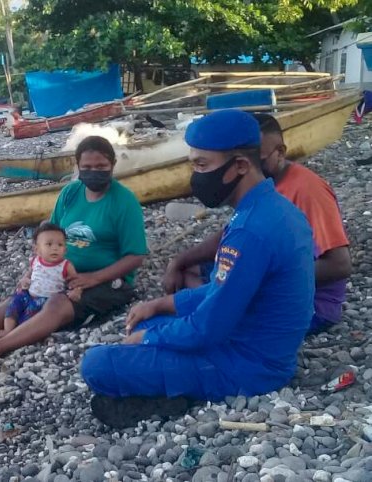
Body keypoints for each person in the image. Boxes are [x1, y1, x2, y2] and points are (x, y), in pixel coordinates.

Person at [80, 110, 315, 428]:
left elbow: (207, 329)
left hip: (247, 366)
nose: (195, 175)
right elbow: (227, 289)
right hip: (258, 346)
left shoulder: (251, 230)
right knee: (156, 321)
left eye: (202, 165)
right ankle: (162, 386)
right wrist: (163, 304)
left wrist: (149, 340)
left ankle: (171, 396)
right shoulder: (272, 208)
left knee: (97, 364)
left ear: (240, 166)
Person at [0, 136, 148, 361]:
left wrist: (94, 278)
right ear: (77, 166)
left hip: (109, 282)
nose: (94, 171)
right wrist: (34, 270)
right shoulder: (71, 193)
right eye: (87, 166)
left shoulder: (124, 202)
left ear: (112, 166)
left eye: (101, 166)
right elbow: (48, 235)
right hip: (59, 271)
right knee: (22, 296)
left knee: (56, 302)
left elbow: (136, 256)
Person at [163, 113, 351, 334]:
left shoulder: (307, 190)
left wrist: (258, 281)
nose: (252, 167)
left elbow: (340, 265)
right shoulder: (261, 190)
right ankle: (209, 307)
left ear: (280, 152)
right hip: (264, 272)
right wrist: (178, 261)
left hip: (310, 304)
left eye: (257, 159)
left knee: (208, 300)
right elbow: (231, 232)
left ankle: (211, 311)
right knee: (189, 271)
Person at [0, 223, 80, 339]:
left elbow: (76, 281)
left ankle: (14, 335)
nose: (55, 248)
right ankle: (8, 330)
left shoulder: (66, 265)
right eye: (49, 244)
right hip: (28, 293)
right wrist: (25, 279)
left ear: (65, 249)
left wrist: (77, 291)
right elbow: (31, 272)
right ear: (37, 250)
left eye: (60, 245)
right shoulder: (36, 261)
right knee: (12, 306)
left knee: (30, 315)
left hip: (46, 300)